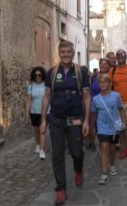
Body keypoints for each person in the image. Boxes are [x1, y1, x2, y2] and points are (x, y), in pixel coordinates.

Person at [39, 40, 91, 205]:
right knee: (57, 155)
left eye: (69, 52)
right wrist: (42, 121)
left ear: (73, 53)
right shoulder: (52, 72)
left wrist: (86, 121)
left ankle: (78, 170)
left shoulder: (81, 71)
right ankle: (61, 189)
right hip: (56, 119)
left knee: (77, 153)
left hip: (75, 118)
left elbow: (87, 97)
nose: (66, 54)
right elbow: (46, 96)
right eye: (63, 52)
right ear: (59, 53)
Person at [91, 74, 126, 185]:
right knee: (104, 147)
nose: (103, 84)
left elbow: (121, 109)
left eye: (105, 81)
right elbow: (94, 114)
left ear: (110, 83)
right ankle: (104, 173)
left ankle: (111, 164)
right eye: (101, 82)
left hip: (114, 127)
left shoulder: (116, 96)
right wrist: (92, 127)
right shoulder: (95, 99)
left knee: (112, 148)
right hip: (101, 127)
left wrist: (124, 122)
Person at [86, 58, 111, 151]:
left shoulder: (111, 76)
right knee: (93, 125)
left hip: (106, 105)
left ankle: (105, 145)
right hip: (94, 103)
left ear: (108, 65)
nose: (103, 66)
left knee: (103, 126)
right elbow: (90, 90)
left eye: (105, 64)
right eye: (101, 64)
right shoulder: (94, 76)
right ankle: (93, 142)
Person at [25, 66, 47, 160]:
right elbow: (29, 100)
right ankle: (37, 145)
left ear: (42, 75)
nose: (38, 77)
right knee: (36, 130)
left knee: (42, 130)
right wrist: (27, 113)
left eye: (40, 75)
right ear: (33, 76)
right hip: (34, 111)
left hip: (44, 112)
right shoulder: (31, 86)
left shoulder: (46, 86)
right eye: (36, 75)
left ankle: (42, 150)